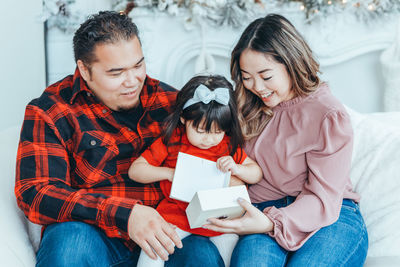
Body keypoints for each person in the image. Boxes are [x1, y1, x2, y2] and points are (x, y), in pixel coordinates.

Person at [15, 11, 216, 267]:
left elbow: (219, 149)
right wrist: (126, 215)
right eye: (116, 73)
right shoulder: (51, 110)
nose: (132, 81)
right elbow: (36, 192)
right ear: (84, 70)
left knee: (202, 255)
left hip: (167, 230)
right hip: (94, 234)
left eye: (138, 65)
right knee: (68, 243)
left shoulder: (172, 103)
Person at [204, 14, 369, 266]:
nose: (256, 86)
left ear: (291, 63)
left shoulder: (328, 114)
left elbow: (324, 198)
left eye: (265, 76)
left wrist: (272, 222)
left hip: (330, 215)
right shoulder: (245, 105)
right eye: (247, 76)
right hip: (263, 211)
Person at [129, 75, 263, 267]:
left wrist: (237, 168)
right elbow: (136, 171)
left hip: (217, 219)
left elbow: (256, 173)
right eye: (200, 131)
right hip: (176, 215)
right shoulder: (173, 141)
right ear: (184, 118)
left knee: (232, 253)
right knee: (153, 247)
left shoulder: (227, 146)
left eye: (218, 132)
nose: (209, 139)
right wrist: (169, 173)